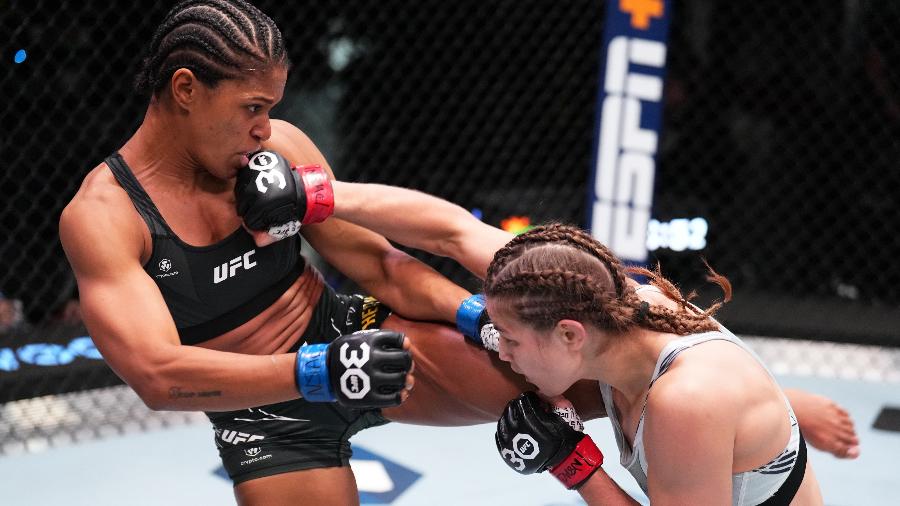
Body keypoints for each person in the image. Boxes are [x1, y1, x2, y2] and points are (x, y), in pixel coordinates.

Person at [58, 1, 600, 504]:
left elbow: (380, 264)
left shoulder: (275, 150)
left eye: (270, 108)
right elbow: (159, 376)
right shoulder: (105, 216)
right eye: (251, 107)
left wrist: (476, 317)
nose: (263, 127)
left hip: (353, 338)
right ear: (185, 89)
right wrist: (316, 373)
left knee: (585, 377)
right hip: (260, 415)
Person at [485, 223, 823, 504]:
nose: (503, 352)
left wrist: (571, 460)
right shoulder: (619, 310)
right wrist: (475, 319)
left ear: (570, 336)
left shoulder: (684, 401)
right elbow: (460, 235)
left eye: (510, 339)